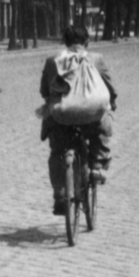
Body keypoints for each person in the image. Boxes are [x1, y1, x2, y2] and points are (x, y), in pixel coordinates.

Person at [39, 24, 117, 216]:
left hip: (62, 116)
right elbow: (109, 89)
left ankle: (59, 194)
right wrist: (111, 104)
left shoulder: (52, 60)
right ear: (86, 42)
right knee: (104, 124)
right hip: (91, 116)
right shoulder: (96, 59)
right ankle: (97, 167)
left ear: (65, 42)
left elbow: (44, 91)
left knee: (57, 149)